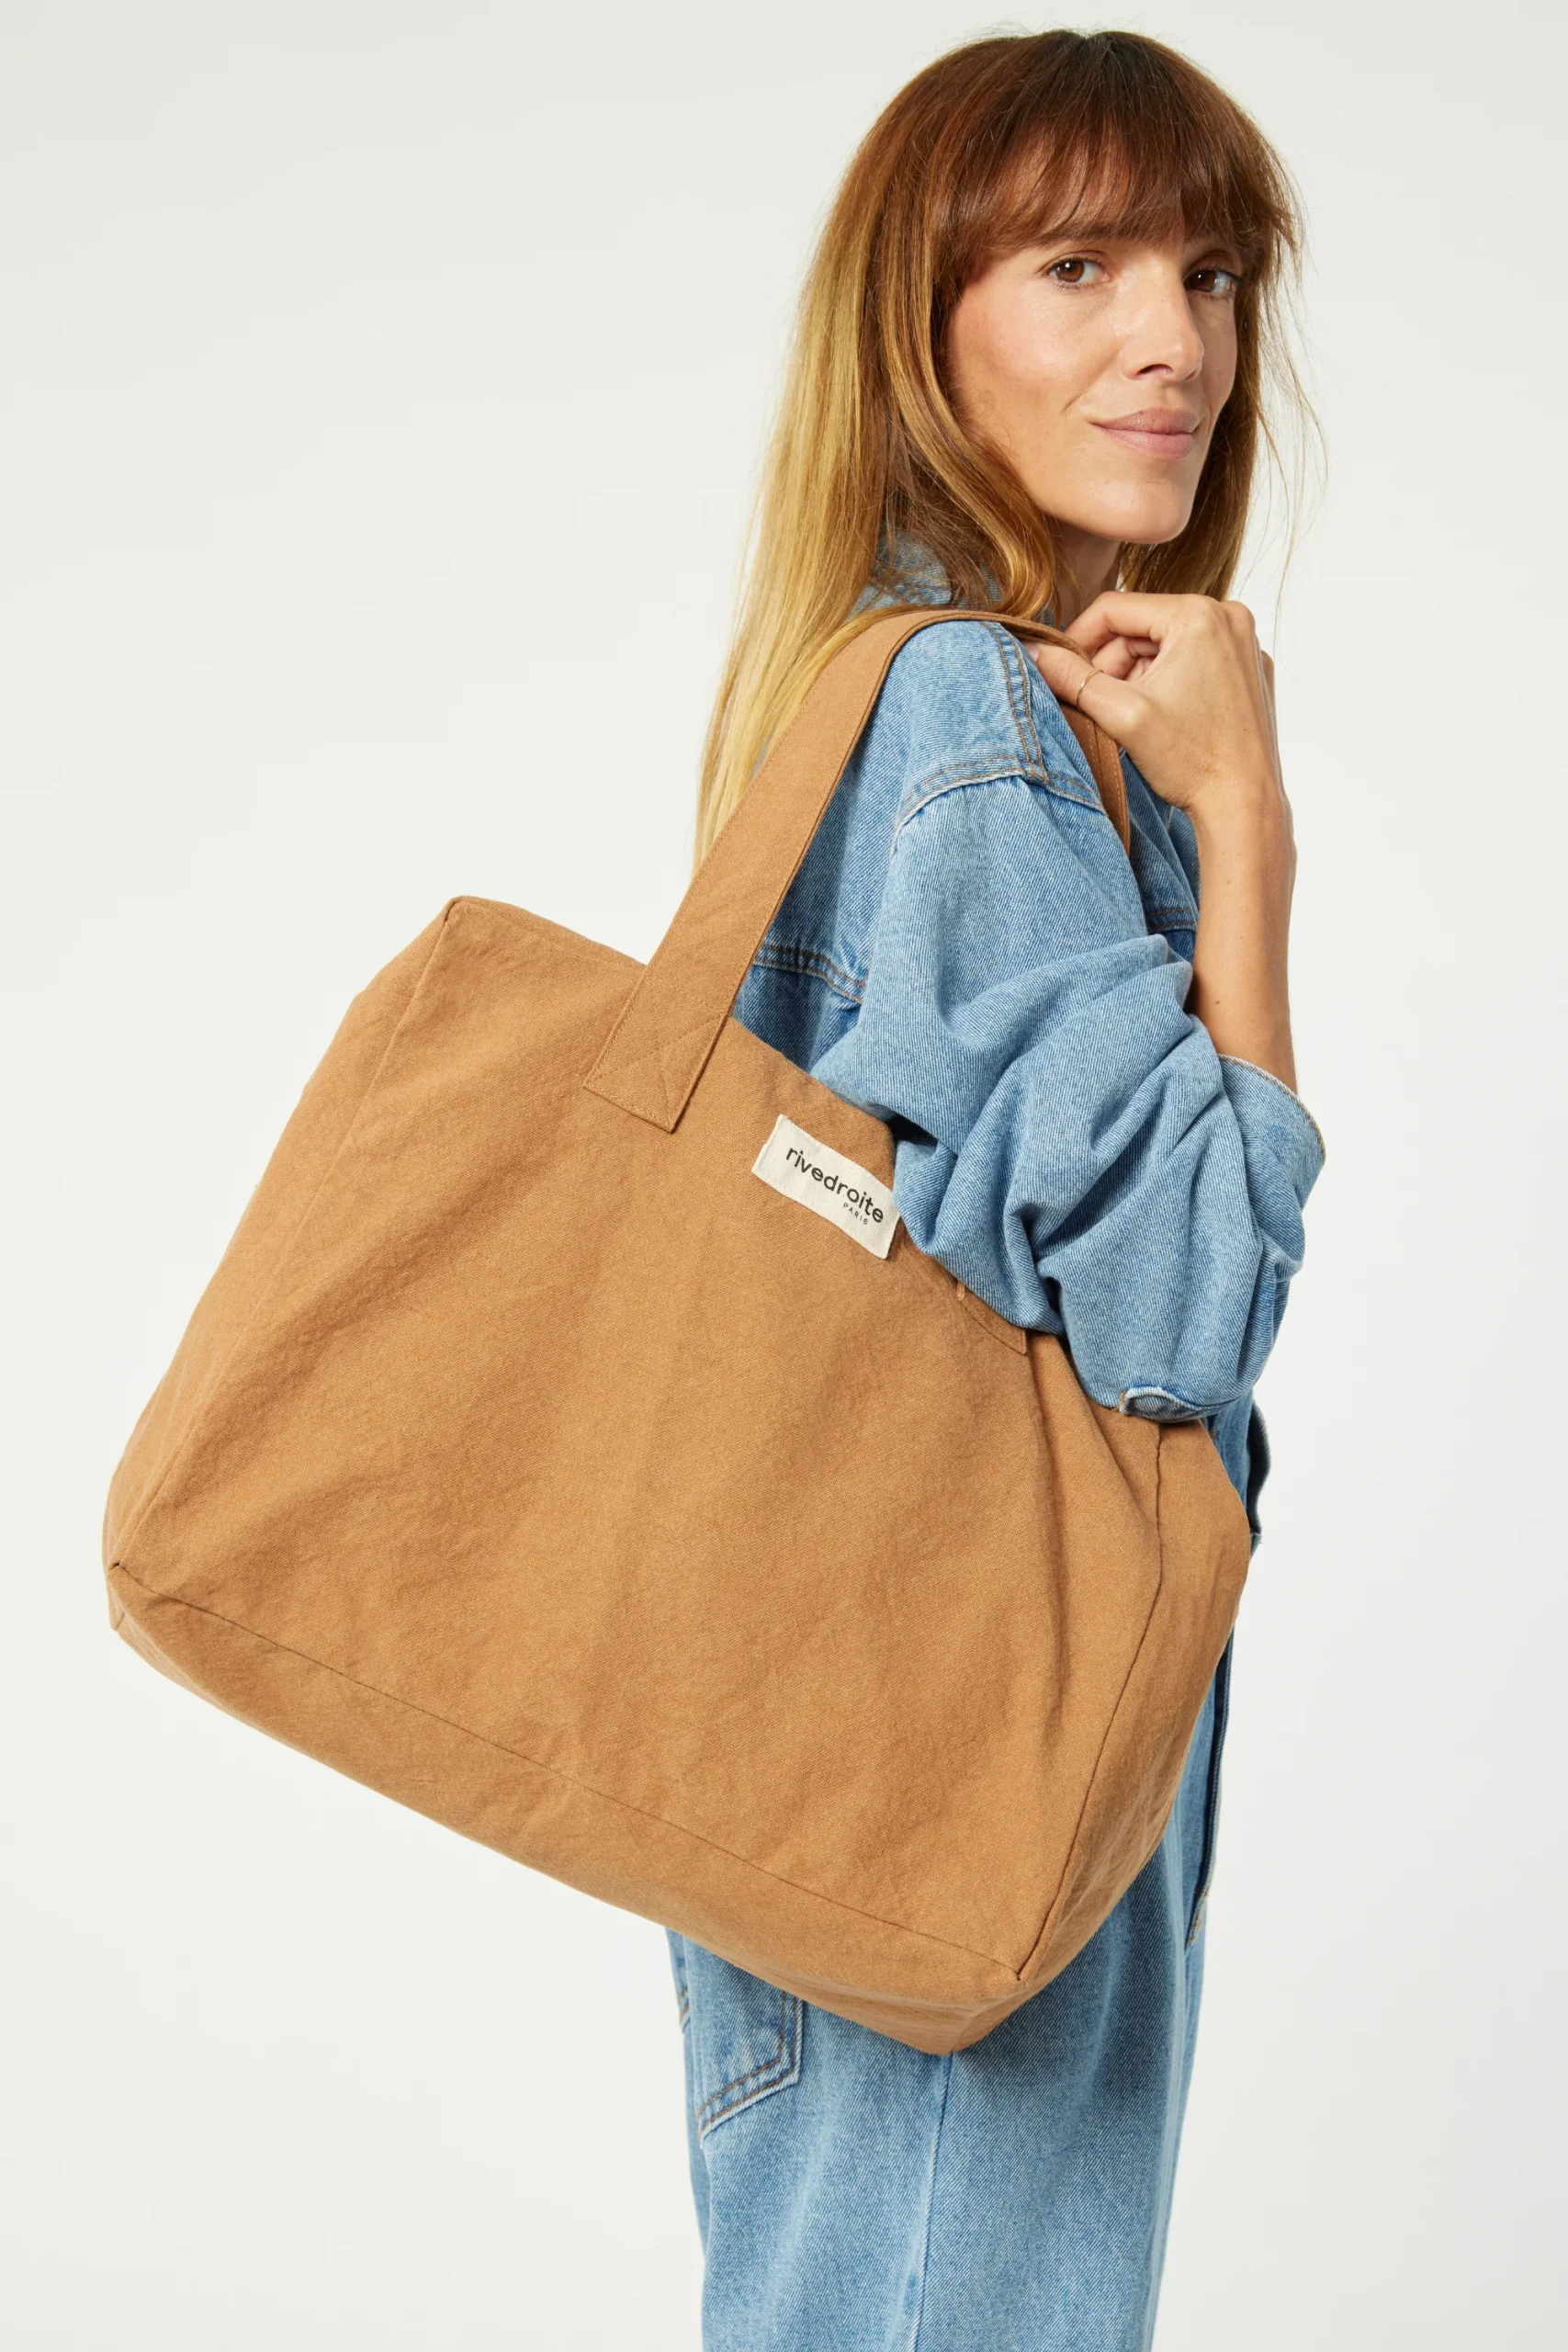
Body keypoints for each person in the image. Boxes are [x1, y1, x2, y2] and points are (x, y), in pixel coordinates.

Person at [666, 28, 1324, 2351]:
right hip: (957, 1761)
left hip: (868, 1749)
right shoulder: (970, 720)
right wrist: (1247, 833)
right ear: (921, 330)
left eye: (1208, 273)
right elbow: (1178, 1303)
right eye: (1078, 267)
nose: (1176, 340)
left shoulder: (940, 706)